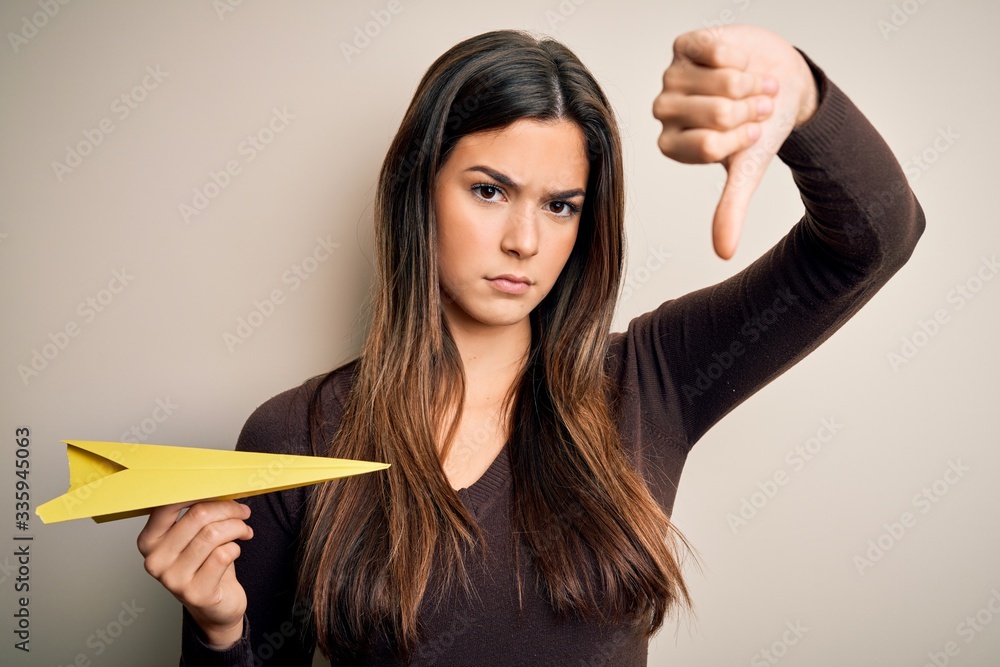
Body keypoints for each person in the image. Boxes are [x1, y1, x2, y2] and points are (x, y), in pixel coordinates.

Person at [137, 24, 925, 666]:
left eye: (560, 205)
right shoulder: (295, 436)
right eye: (489, 190)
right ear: (419, 188)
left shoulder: (653, 378)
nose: (524, 240)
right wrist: (218, 632)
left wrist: (799, 92)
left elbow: (877, 236)